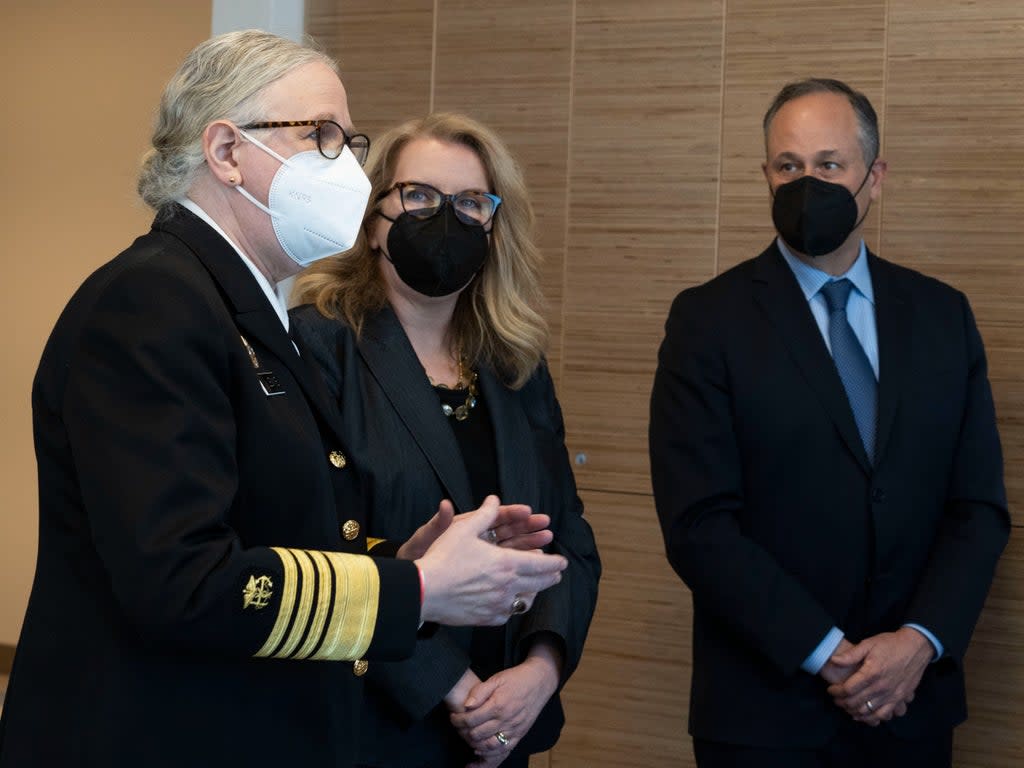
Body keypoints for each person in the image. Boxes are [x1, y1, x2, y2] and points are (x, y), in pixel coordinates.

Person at [0, 31, 568, 768]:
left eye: (347, 141)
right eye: (320, 135)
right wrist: (416, 588)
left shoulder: (240, 307)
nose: (345, 167)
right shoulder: (152, 301)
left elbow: (271, 528)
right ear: (227, 152)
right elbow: (184, 583)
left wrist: (397, 558)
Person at [649, 77, 1009, 767]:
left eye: (828, 165)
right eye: (787, 167)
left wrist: (917, 643)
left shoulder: (942, 317)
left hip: (914, 709)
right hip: (764, 712)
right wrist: (828, 654)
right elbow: (699, 524)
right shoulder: (707, 321)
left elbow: (978, 509)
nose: (804, 183)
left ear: (874, 178)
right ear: (764, 176)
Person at [291, 112, 600, 768]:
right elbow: (312, 546)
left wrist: (540, 672)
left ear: (493, 227)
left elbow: (566, 533)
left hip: (507, 723)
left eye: (469, 204)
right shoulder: (316, 349)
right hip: (373, 724)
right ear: (373, 221)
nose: (446, 219)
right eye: (420, 196)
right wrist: (455, 690)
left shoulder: (517, 365)